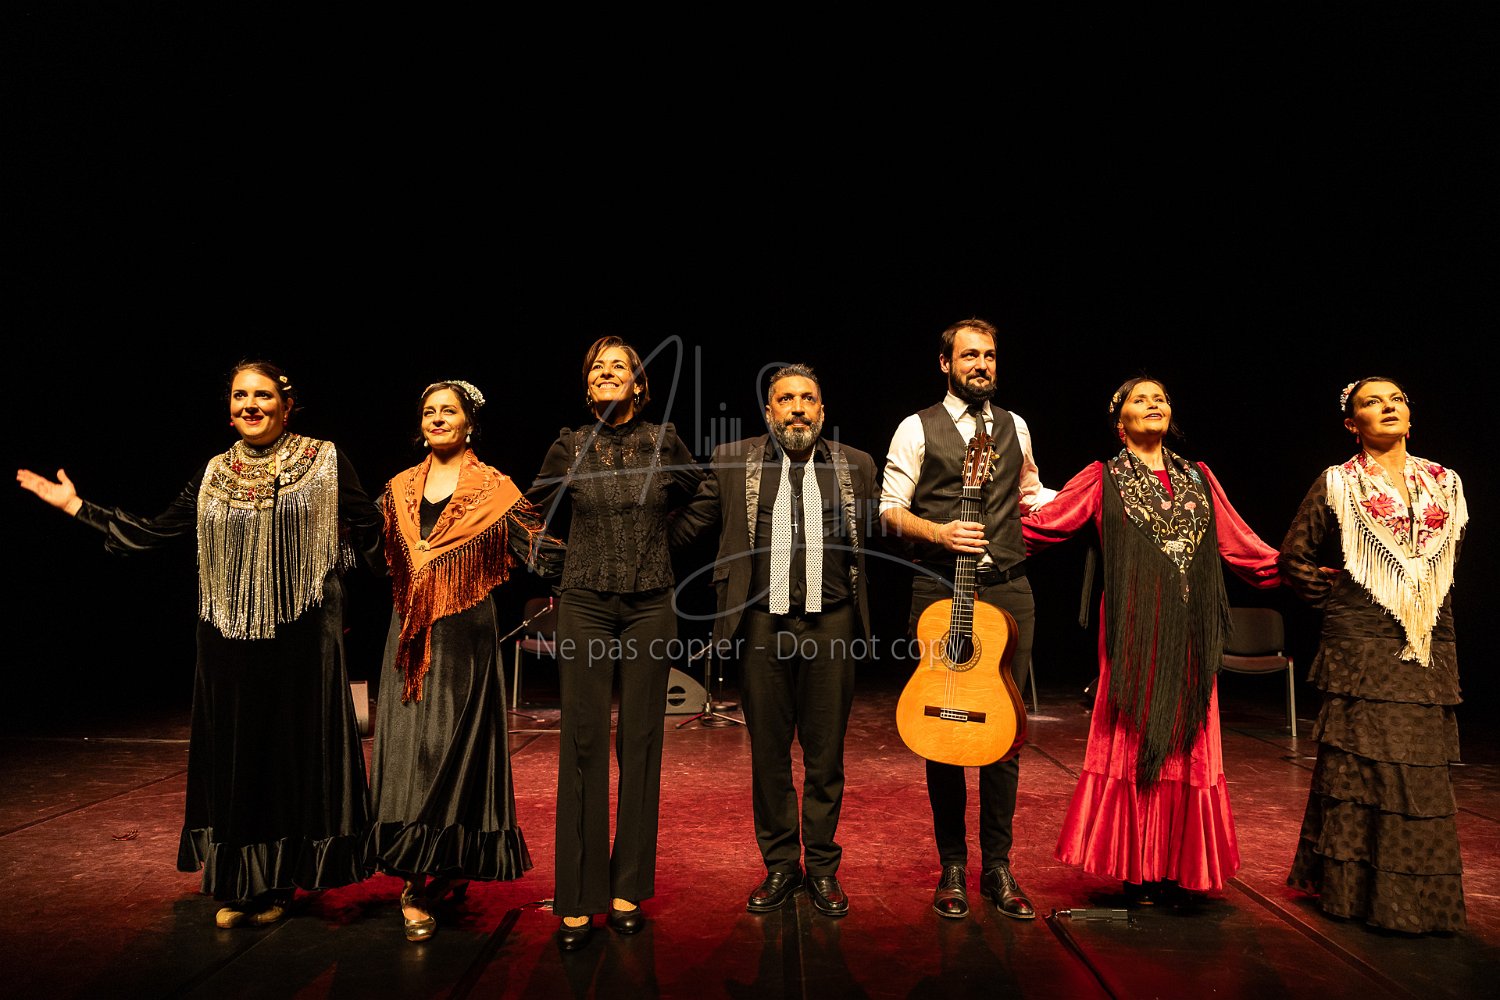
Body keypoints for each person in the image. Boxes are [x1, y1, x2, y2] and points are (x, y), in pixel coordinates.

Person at [16, 360, 383, 928]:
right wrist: (76, 508)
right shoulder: (215, 472)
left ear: (287, 406)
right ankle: (245, 880)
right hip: (228, 634)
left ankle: (285, 877)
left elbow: (371, 530)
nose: (250, 405)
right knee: (240, 752)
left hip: (303, 633)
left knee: (291, 754)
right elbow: (157, 531)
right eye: (239, 395)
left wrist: (349, 579)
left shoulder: (325, 459)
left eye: (262, 395)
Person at [1022, 376, 1280, 901]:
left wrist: (1305, 570)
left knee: (1190, 744)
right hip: (1135, 631)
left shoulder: (1199, 477)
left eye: (1160, 398)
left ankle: (1180, 868)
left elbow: (1243, 546)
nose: (1153, 403)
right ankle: (1136, 868)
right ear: (1120, 424)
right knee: (1135, 740)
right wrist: (965, 537)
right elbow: (1043, 526)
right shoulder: (1102, 478)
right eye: (1139, 399)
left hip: (1192, 634)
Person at [670, 364, 879, 918]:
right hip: (762, 624)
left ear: (822, 410)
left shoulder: (856, 465)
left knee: (826, 755)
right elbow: (690, 525)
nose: (798, 409)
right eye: (786, 399)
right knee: (768, 754)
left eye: (808, 399)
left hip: (831, 623)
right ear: (769, 411)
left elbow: (890, 525)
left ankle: (823, 867)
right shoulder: (732, 460)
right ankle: (782, 865)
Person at [367, 379, 564, 942]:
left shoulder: (495, 491)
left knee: (449, 753)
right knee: (410, 752)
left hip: (466, 641)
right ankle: (412, 878)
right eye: (429, 411)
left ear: (469, 423)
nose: (436, 418)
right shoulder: (398, 489)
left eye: (448, 411)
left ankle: (446, 861)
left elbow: (540, 550)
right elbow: (371, 549)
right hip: (409, 636)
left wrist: (602, 572)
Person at [525, 336, 704, 951]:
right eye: (597, 367)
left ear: (638, 383)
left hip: (651, 603)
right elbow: (528, 513)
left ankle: (628, 886)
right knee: (582, 740)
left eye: (618, 366)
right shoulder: (569, 445)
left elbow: (706, 495)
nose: (606, 373)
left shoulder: (665, 440)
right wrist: (558, 566)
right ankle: (578, 894)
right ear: (588, 384)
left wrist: (666, 542)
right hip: (585, 604)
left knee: (641, 739)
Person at [878, 317, 1053, 920]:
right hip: (937, 592)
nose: (982, 365)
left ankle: (998, 866)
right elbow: (889, 509)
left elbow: (1030, 492)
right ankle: (952, 864)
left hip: (1008, 590)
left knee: (1006, 733)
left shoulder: (1015, 426)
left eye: (990, 355)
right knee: (944, 728)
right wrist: (940, 532)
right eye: (970, 355)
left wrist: (1092, 499)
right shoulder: (915, 427)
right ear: (945, 363)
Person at [1281, 377, 1468, 933]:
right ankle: (1354, 896)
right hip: (1361, 646)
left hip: (1427, 638)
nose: (1387, 408)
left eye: (1396, 400)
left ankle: (1419, 902)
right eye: (1371, 402)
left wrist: (1414, 600)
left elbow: (1446, 561)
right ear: (1352, 424)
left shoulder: (1445, 482)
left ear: (1410, 414)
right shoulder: (1339, 482)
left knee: (1421, 772)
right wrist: (1343, 599)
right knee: (1362, 768)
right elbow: (1294, 556)